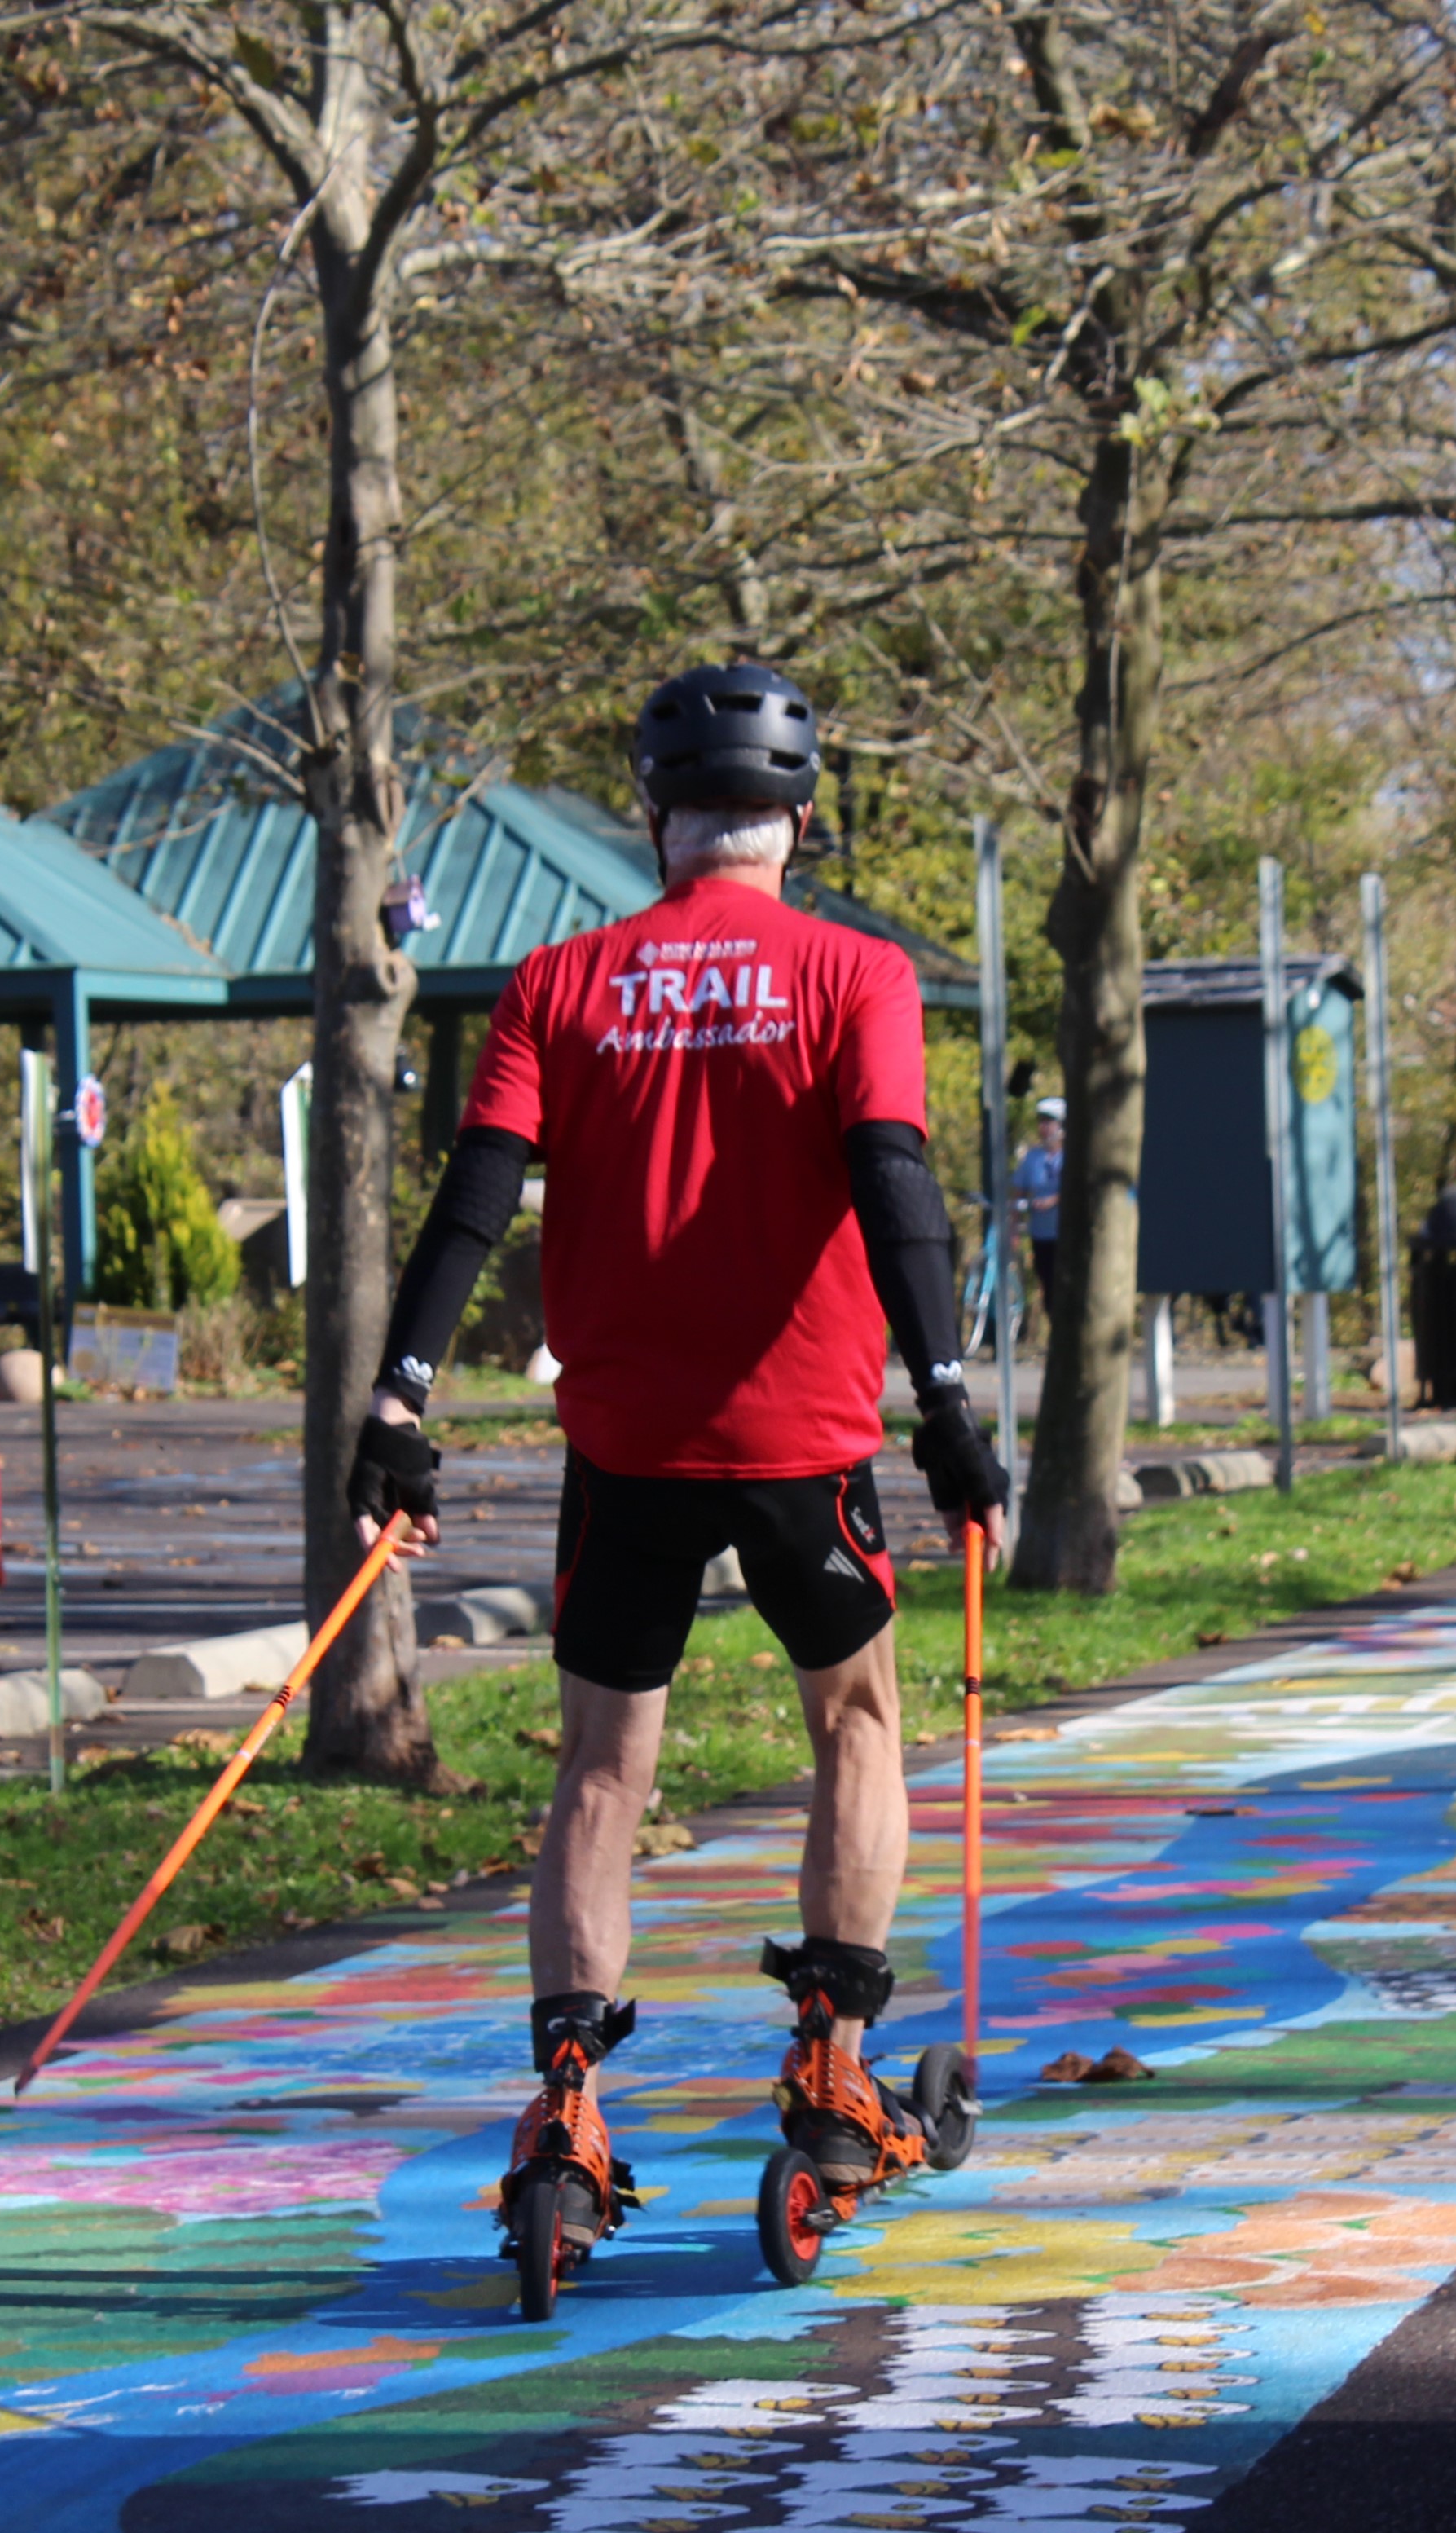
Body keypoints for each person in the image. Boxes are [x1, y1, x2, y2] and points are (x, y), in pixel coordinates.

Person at [345, 659, 1012, 2284]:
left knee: (599, 1768)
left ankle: (566, 2108)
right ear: (794, 815)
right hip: (805, 1439)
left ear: (654, 815)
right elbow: (896, 1187)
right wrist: (946, 1402)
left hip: (625, 1446)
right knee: (855, 1720)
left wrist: (397, 1400)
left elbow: (472, 1203)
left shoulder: (560, 982)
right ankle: (833, 2068)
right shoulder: (857, 973)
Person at [1011, 1096, 1066, 1319]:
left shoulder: (1072, 1155)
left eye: (1049, 1121)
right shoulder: (1032, 1158)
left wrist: (1054, 1200)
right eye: (1041, 1120)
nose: (1043, 1126)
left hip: (1067, 1235)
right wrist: (1013, 1228)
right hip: (1041, 1234)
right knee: (1048, 1285)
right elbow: (1017, 1194)